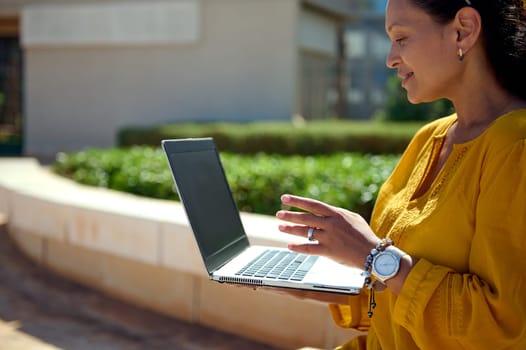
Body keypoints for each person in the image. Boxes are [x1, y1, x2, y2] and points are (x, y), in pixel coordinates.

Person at [274, 0, 526, 349]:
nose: (390, 58)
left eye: (402, 38)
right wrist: (321, 283)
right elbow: (399, 302)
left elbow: (502, 326)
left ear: (463, 30)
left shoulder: (516, 146)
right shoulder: (430, 138)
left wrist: (374, 256)